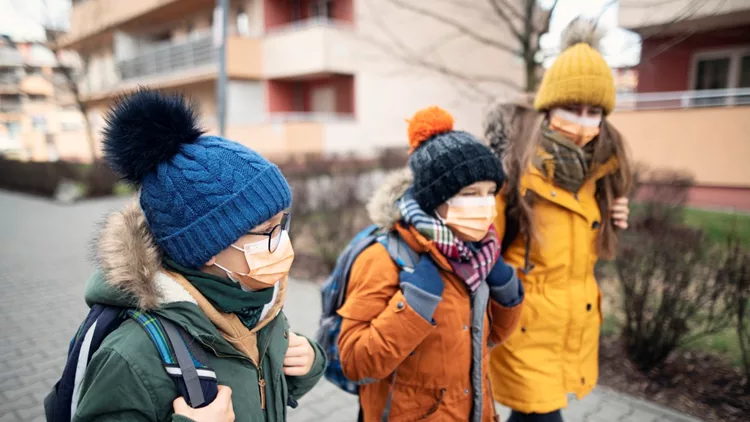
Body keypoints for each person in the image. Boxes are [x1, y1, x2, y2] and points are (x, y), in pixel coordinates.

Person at [72, 88, 326, 421]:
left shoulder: (255, 304)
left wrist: (309, 362)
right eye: (267, 230)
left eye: (283, 224)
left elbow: (260, 390)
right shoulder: (132, 355)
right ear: (205, 247)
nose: (282, 241)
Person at [485, 18, 632, 422]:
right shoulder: (513, 171)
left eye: (594, 111)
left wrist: (612, 220)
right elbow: (480, 246)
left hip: (572, 324)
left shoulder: (598, 172)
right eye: (572, 108)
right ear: (549, 107)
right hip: (524, 327)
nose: (583, 122)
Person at [338, 106, 525, 421]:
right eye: (470, 193)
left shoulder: (478, 254)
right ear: (434, 199)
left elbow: (488, 339)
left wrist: (507, 292)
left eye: (490, 192)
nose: (485, 205)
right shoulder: (385, 257)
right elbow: (356, 363)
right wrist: (413, 306)